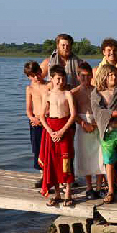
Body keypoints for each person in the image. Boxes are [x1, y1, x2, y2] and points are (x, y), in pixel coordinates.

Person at [91, 64, 117, 204]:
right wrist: (113, 113)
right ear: (103, 76)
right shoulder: (97, 93)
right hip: (107, 132)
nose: (113, 77)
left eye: (114, 74)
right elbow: (97, 112)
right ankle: (110, 190)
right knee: (109, 162)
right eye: (109, 75)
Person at [38, 65, 76, 206]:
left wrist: (63, 130)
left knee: (66, 160)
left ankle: (68, 194)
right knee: (53, 161)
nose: (61, 81)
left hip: (64, 129)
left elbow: (72, 115)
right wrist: (50, 131)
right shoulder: (47, 94)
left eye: (63, 78)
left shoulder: (68, 94)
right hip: (51, 129)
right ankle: (57, 194)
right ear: (51, 79)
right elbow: (42, 116)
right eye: (58, 78)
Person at [71, 62, 105, 200]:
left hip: (97, 123)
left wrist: (96, 124)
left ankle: (99, 187)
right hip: (82, 124)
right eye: (82, 76)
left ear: (92, 76)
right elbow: (72, 113)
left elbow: (103, 109)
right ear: (78, 76)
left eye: (88, 76)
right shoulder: (74, 92)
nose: (85, 79)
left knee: (100, 156)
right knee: (84, 156)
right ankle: (89, 187)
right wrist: (83, 123)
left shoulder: (97, 91)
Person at [24, 61, 48, 188]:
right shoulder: (30, 88)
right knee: (38, 149)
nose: (36, 77)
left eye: (38, 73)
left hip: (48, 121)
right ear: (28, 76)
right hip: (36, 122)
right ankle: (43, 176)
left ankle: (55, 176)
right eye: (33, 76)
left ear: (41, 71)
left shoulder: (48, 85)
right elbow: (28, 109)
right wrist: (32, 118)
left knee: (50, 149)